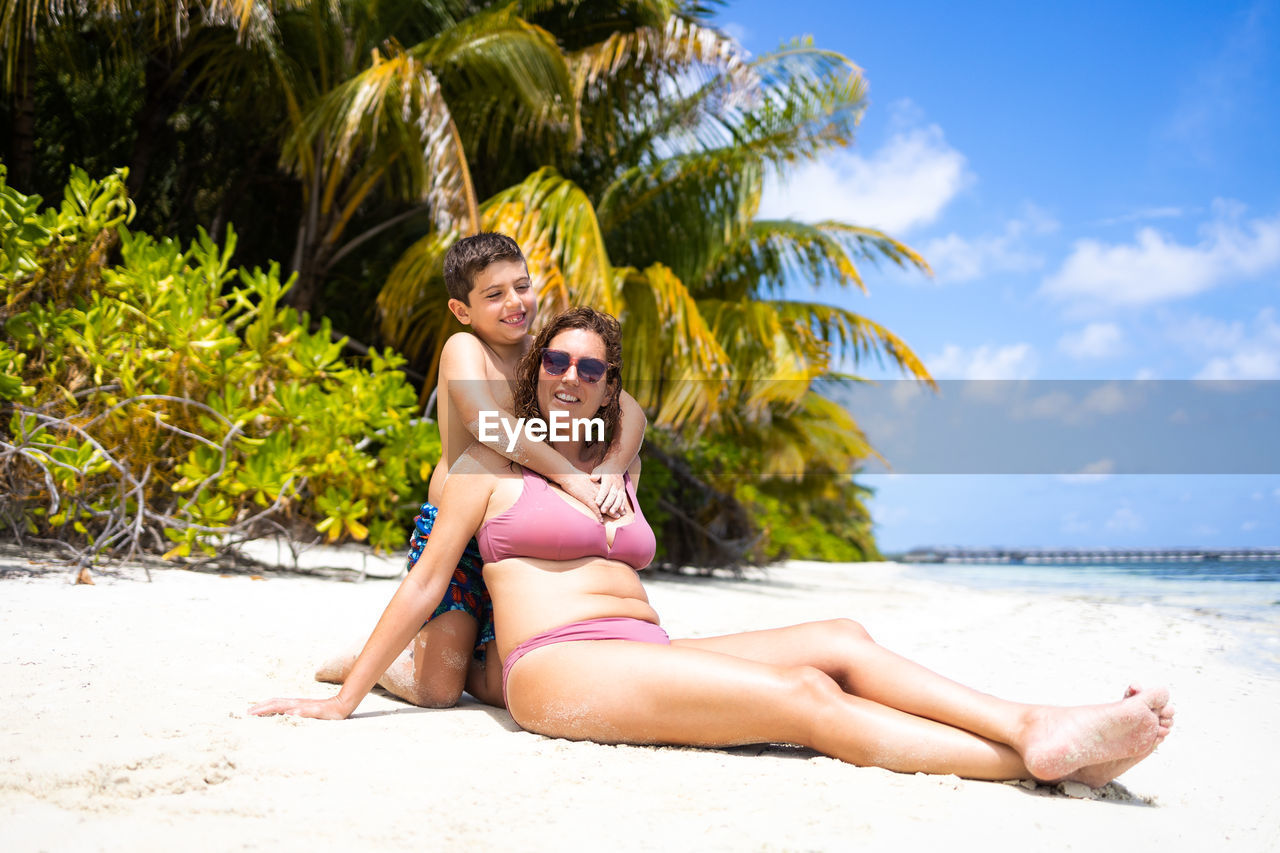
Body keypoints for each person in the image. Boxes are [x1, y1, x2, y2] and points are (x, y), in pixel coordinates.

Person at [253, 307, 1174, 785]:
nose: (573, 377)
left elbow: (637, 426)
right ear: (535, 374)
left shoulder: (622, 463)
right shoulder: (482, 464)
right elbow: (422, 586)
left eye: (593, 367)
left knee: (843, 637)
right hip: (558, 669)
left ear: (610, 384)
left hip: (644, 654)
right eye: (557, 363)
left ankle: (1031, 722)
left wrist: (613, 459)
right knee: (801, 697)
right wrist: (344, 699)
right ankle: (1034, 761)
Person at [314, 234, 646, 708]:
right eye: (494, 294)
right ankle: (380, 664)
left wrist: (613, 468)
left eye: (522, 286)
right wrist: (570, 477)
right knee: (436, 691)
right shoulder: (463, 349)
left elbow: (631, 411)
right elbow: (484, 422)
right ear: (461, 310)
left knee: (502, 683)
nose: (514, 302)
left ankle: (449, 649)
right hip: (457, 534)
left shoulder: (546, 357)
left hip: (514, 533)